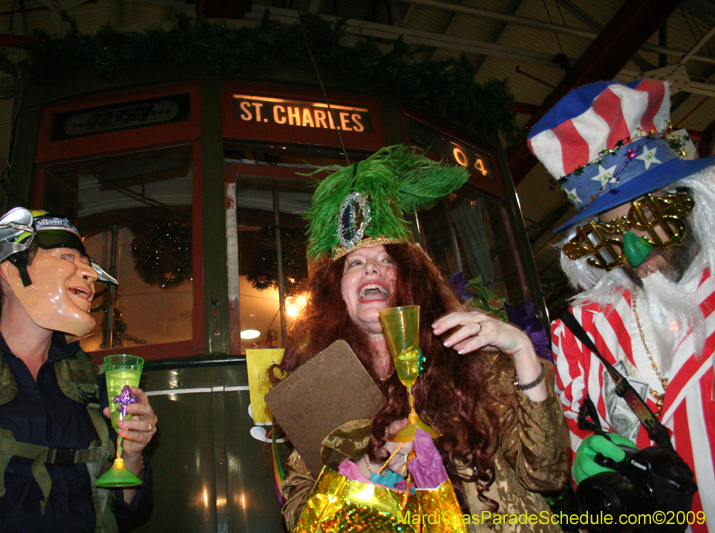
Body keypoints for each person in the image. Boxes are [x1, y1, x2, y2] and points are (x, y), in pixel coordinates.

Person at [274, 145, 570, 532]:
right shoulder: (319, 387)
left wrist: (521, 350)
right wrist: (370, 466)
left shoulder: (469, 355)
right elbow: (300, 515)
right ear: (338, 292)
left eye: (388, 261)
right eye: (356, 263)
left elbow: (546, 476)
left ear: (409, 279)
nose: (372, 270)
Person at [528, 79, 715, 530]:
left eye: (649, 219)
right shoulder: (580, 332)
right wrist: (581, 456)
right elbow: (576, 434)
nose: (634, 256)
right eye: (613, 236)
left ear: (689, 202)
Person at [0, 208, 158, 532]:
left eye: (86, 265)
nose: (89, 274)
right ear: (11, 270)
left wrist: (132, 455)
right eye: (67, 257)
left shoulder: (92, 384)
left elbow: (127, 512)